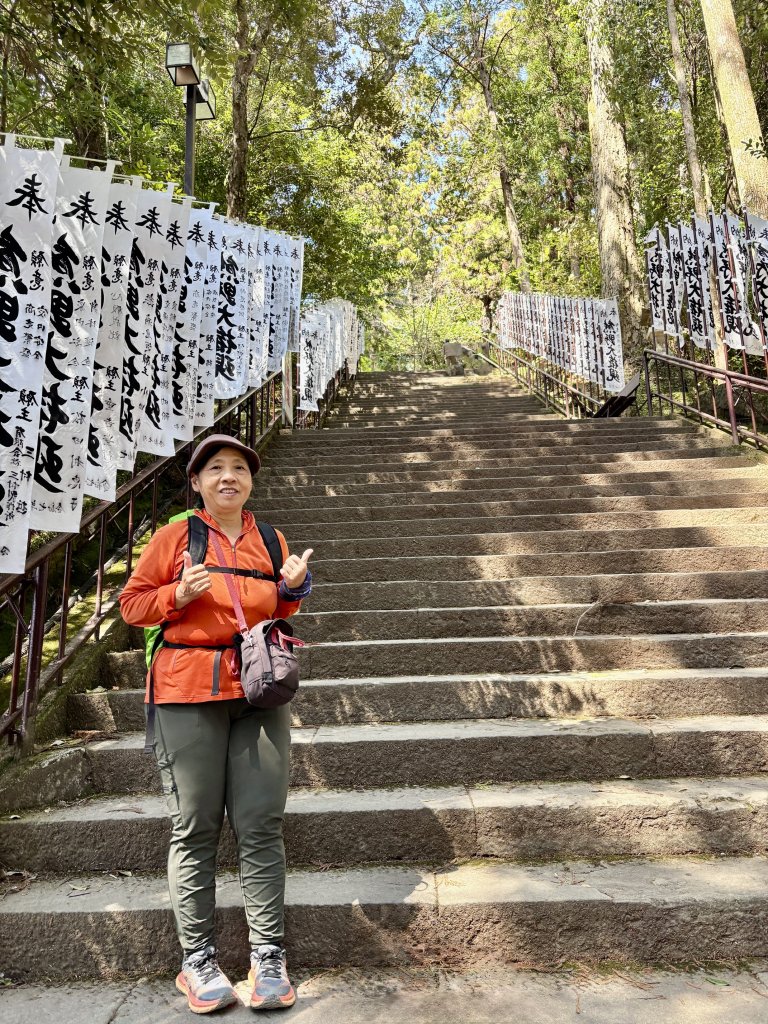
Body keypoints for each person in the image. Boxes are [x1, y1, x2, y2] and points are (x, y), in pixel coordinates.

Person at [119, 433, 312, 1014]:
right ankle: (196, 958)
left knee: (260, 821)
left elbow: (274, 610)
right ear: (198, 483)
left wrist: (293, 588)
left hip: (258, 689)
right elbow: (132, 604)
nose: (229, 477)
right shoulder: (175, 536)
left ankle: (268, 957)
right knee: (196, 823)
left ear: (250, 481)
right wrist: (176, 594)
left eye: (239, 469)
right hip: (186, 692)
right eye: (216, 469)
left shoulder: (269, 537)